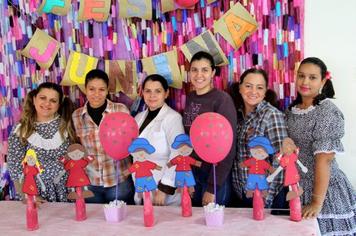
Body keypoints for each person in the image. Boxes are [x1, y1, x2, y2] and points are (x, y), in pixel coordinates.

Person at [286, 57, 356, 235]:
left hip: (324, 191)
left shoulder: (327, 112)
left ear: (323, 81)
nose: (305, 82)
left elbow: (324, 161)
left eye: (312, 77)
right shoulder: (291, 110)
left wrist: (317, 203)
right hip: (298, 188)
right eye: (301, 76)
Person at [183, 51, 237, 206]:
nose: (199, 75)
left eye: (205, 70)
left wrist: (213, 187)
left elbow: (229, 146)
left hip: (214, 176)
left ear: (213, 72)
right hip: (194, 173)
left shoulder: (222, 100)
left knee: (214, 226)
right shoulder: (190, 97)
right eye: (194, 70)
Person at [72, 69, 134, 204]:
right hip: (91, 182)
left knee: (122, 222)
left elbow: (132, 141)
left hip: (119, 180)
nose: (96, 94)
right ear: (85, 89)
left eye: (101, 89)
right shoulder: (76, 116)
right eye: (92, 89)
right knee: (94, 223)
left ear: (107, 90)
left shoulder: (120, 110)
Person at [229, 68, 288, 209]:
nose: (253, 92)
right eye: (248, 86)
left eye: (259, 87)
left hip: (264, 196)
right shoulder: (237, 115)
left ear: (265, 91)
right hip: (242, 192)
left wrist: (265, 197)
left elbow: (280, 160)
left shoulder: (271, 115)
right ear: (240, 88)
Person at [7, 82, 76, 202]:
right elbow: (15, 166)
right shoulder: (21, 129)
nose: (47, 103)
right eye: (42, 98)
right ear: (34, 99)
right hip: (35, 193)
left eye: (53, 100)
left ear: (59, 104)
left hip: (66, 190)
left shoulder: (67, 126)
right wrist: (28, 195)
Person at [134, 74, 184, 206]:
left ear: (166, 93)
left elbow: (177, 153)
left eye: (158, 91)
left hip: (162, 191)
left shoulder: (173, 118)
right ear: (142, 93)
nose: (152, 95)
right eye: (148, 91)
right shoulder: (138, 118)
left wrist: (164, 188)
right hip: (142, 186)